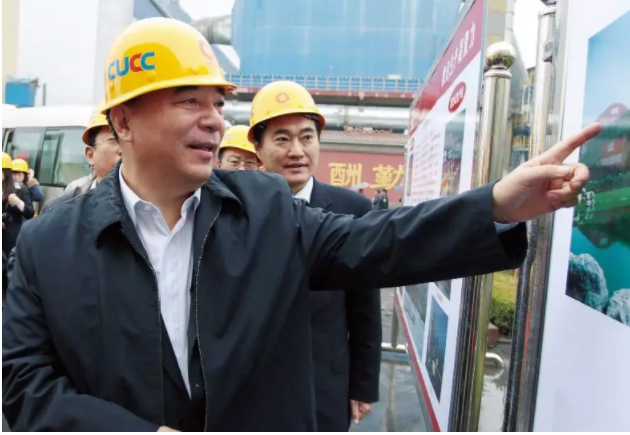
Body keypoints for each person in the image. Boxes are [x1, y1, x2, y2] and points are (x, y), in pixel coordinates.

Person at [2, 18, 600, 432]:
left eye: (218, 103)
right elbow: (23, 383)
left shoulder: (263, 208)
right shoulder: (47, 243)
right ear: (124, 122)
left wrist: (495, 205)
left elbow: (375, 240)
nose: (215, 121)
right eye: (189, 101)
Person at [250, 81, 381, 430]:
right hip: (256, 383)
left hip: (324, 380)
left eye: (306, 137)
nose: (297, 150)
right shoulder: (239, 211)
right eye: (282, 139)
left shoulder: (352, 209)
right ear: (258, 148)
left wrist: (363, 384)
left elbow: (365, 307)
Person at [41, 109, 121, 212]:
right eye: (114, 140)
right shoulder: (59, 209)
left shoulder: (141, 208)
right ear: (90, 155)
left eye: (131, 140)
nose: (124, 149)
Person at [2, 153, 34, 258]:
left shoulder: (19, 189)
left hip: (9, 239)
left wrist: (19, 203)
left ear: (5, 172)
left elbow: (30, 213)